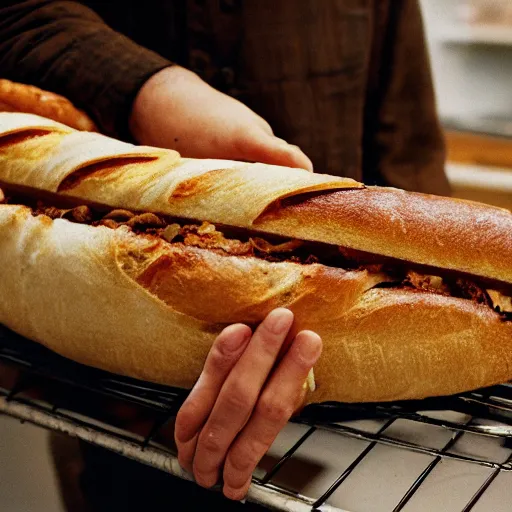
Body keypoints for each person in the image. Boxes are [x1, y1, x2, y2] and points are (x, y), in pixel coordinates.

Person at [0, 1, 452, 510]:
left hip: (344, 413)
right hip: (100, 393)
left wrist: (361, 346)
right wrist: (150, 93)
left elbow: (410, 152)